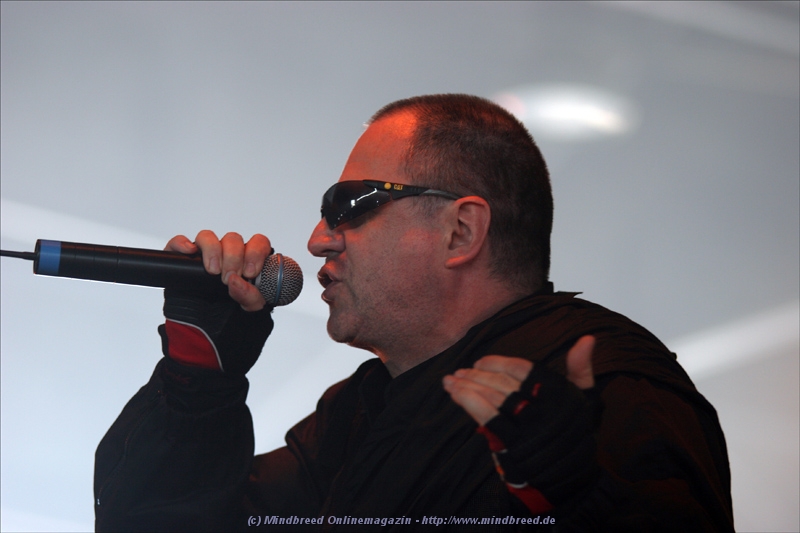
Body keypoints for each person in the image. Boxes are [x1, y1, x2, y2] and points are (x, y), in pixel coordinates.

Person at [94, 94, 734, 532]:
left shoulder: (604, 387)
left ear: (461, 231)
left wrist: (572, 502)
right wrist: (197, 383)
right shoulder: (361, 411)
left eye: (350, 205)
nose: (318, 239)